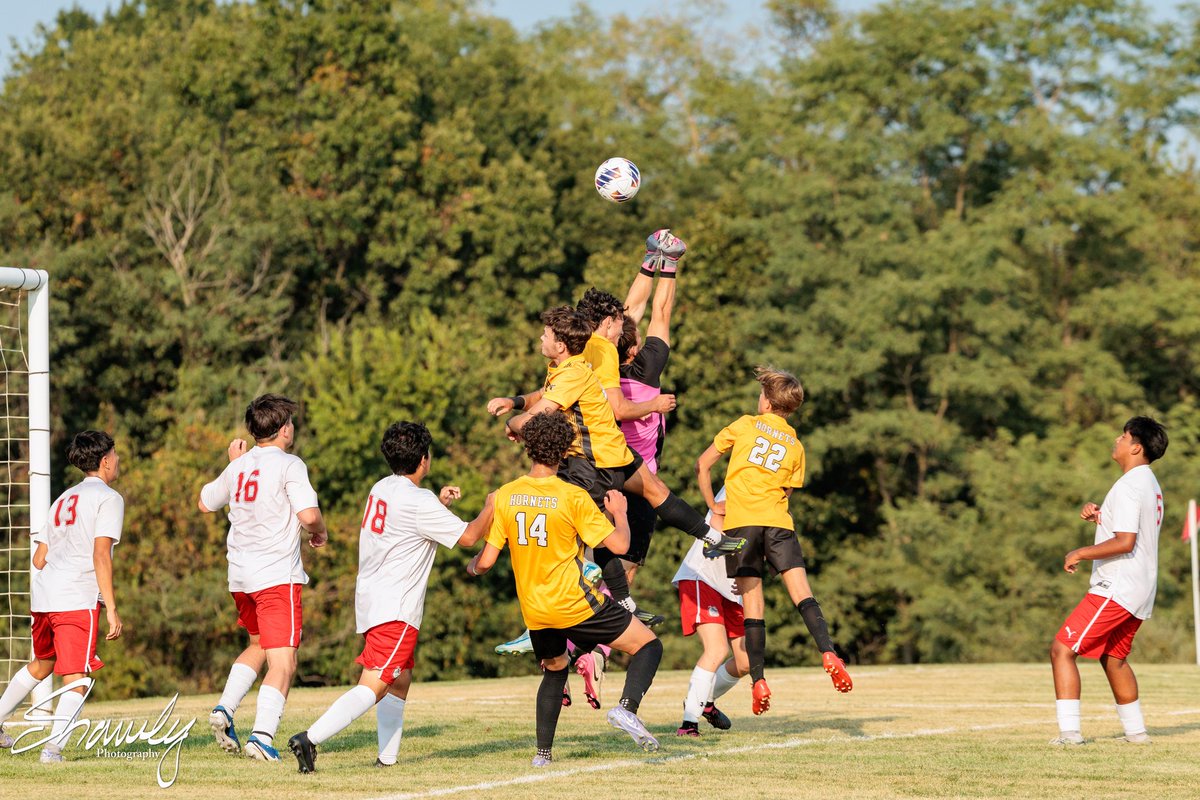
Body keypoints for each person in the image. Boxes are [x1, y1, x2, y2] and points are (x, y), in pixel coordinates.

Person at [485, 305, 743, 659]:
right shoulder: (571, 361)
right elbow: (544, 397)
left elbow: (542, 414)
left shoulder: (592, 357)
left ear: (562, 342)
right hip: (616, 450)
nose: (540, 338)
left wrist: (514, 423)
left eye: (545, 334)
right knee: (654, 493)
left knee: (594, 533)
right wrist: (515, 403)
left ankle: (549, 624)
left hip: (595, 463)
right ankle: (710, 538)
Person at [287, 422, 494, 773]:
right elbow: (471, 537)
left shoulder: (381, 487)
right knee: (376, 684)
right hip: (396, 607)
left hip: (372, 600)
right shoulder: (418, 501)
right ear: (424, 460)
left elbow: (407, 523)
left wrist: (439, 503)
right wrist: (493, 505)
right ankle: (310, 738)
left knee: (400, 678)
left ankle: (388, 758)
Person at [469, 410, 662, 766]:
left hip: (536, 613)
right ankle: (626, 710)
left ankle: (542, 755)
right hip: (575, 604)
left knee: (555, 669)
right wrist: (620, 512)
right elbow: (619, 546)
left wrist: (471, 565)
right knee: (649, 645)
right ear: (564, 451)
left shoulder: (507, 495)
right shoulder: (572, 497)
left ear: (528, 448)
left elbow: (483, 563)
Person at [696, 366, 853, 715]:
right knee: (803, 594)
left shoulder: (745, 424)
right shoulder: (795, 444)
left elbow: (703, 464)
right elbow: (785, 492)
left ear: (766, 401)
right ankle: (828, 650)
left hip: (742, 526)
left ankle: (759, 680)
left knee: (753, 607)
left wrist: (712, 506)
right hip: (779, 524)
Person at [199, 394, 329, 762]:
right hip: (275, 577)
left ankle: (225, 708)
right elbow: (307, 515)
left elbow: (205, 502)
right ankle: (261, 736)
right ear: (283, 428)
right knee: (284, 662)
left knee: (259, 646)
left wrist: (234, 467)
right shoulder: (290, 464)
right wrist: (320, 531)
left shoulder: (238, 466)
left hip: (239, 577)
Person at [0, 431, 124, 763]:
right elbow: (101, 555)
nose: (118, 460)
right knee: (78, 678)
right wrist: (111, 608)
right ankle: (52, 749)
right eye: (116, 454)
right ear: (105, 460)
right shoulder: (108, 498)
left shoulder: (63, 498)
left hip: (44, 596)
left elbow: (39, 558)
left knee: (42, 664)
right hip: (74, 598)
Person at [1049, 416, 1168, 746]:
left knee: (1062, 650)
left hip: (1117, 586)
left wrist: (1080, 552)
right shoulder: (1148, 483)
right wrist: (1101, 516)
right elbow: (1131, 530)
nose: (1116, 439)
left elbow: (1126, 541)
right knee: (1113, 657)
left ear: (1135, 446)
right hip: (1141, 587)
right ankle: (1137, 734)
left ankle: (1070, 734)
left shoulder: (1130, 485)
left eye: (1123, 435)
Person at [672, 487, 749, 736]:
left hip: (731, 584)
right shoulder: (741, 482)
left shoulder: (776, 503)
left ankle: (703, 701)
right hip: (703, 575)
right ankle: (688, 723)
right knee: (717, 650)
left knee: (745, 661)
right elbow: (717, 524)